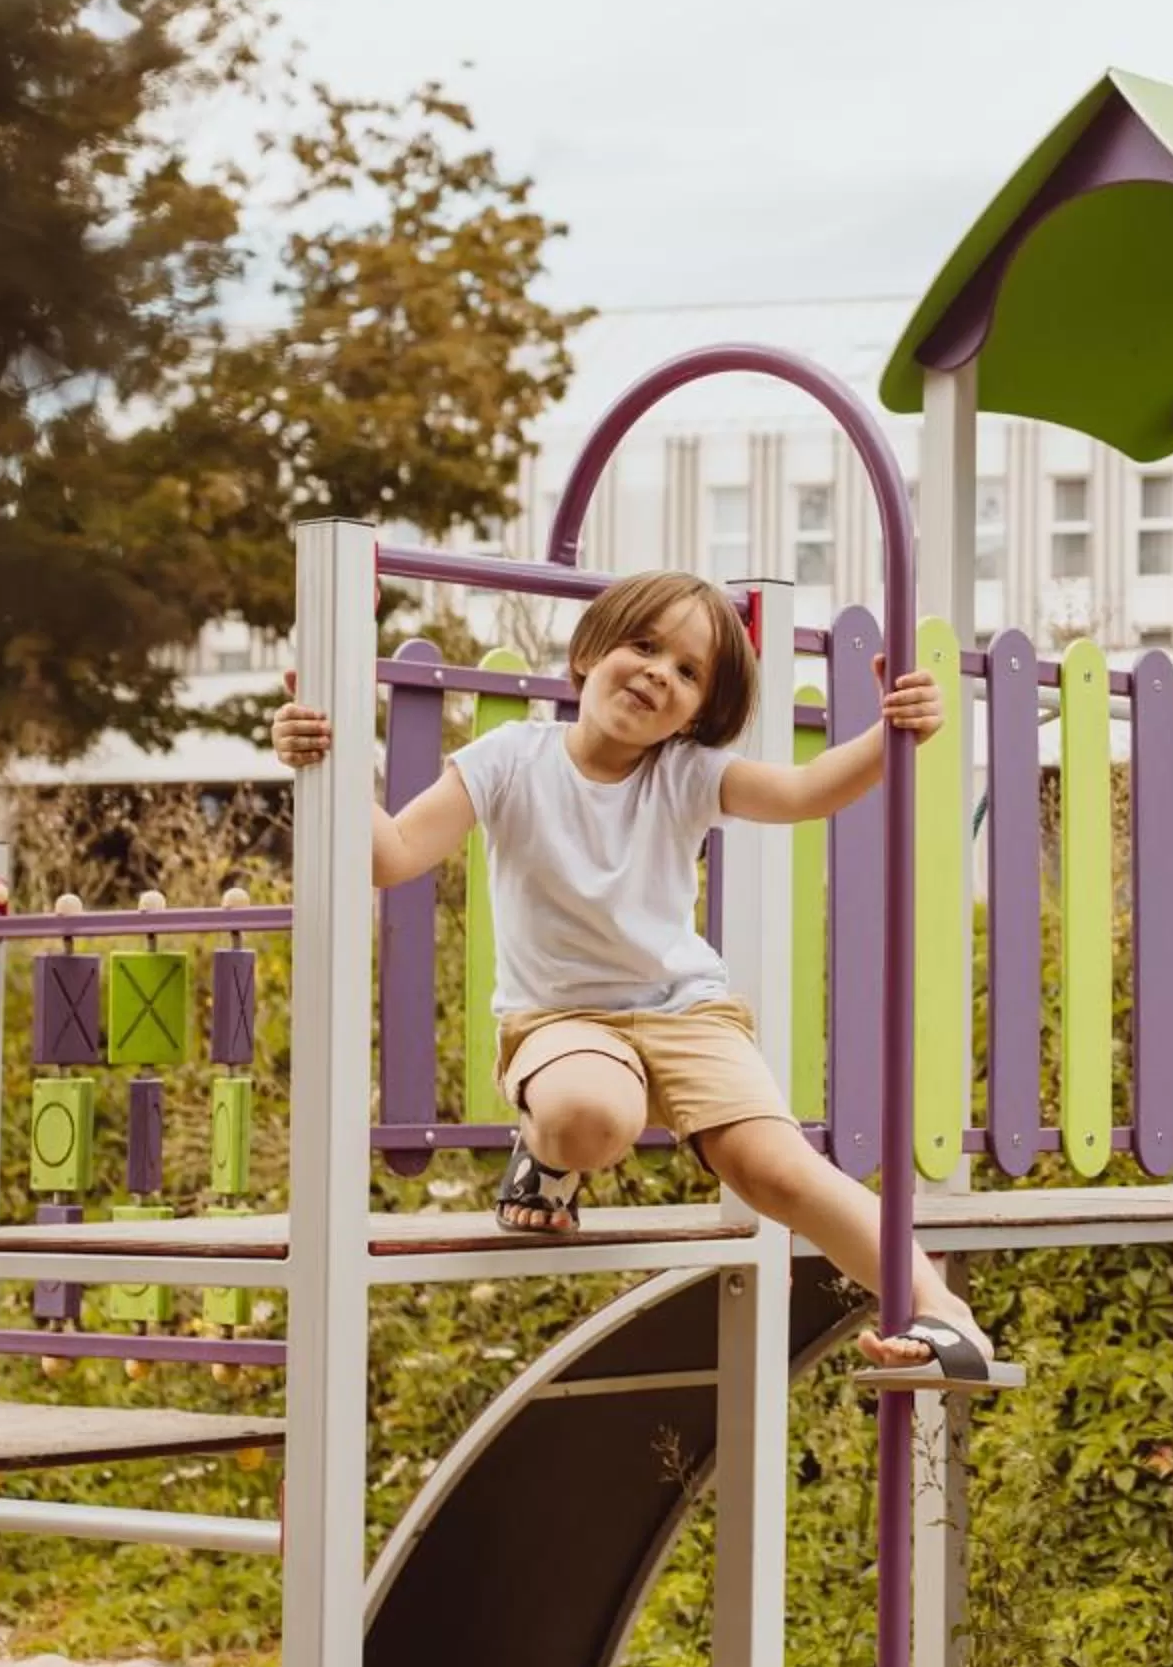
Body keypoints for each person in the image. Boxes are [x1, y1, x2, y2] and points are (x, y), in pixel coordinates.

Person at [270, 570, 1013, 1392]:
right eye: (645, 646)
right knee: (592, 1116)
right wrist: (331, 757)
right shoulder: (510, 759)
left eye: (689, 672)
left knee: (779, 1171)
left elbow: (805, 793)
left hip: (690, 1013)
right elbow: (394, 856)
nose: (662, 672)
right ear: (591, 653)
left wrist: (891, 734)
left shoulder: (686, 774)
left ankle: (941, 1309)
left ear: (700, 712)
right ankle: (550, 1163)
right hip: (562, 1023)